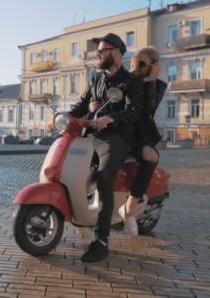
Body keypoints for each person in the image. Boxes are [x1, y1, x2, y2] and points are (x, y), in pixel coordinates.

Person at [51, 33, 144, 262]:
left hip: (115, 138)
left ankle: (101, 241)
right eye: (98, 51)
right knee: (69, 170)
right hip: (89, 134)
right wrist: (61, 118)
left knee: (103, 178)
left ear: (117, 53)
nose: (98, 55)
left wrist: (112, 118)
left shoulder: (132, 82)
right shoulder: (96, 79)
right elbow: (81, 104)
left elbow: (135, 111)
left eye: (102, 51)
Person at [117, 47, 167, 236]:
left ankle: (129, 210)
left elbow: (148, 110)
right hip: (119, 127)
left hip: (139, 135)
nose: (136, 66)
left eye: (142, 63)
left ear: (154, 65)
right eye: (134, 62)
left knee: (151, 157)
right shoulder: (125, 79)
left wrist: (151, 80)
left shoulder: (158, 85)